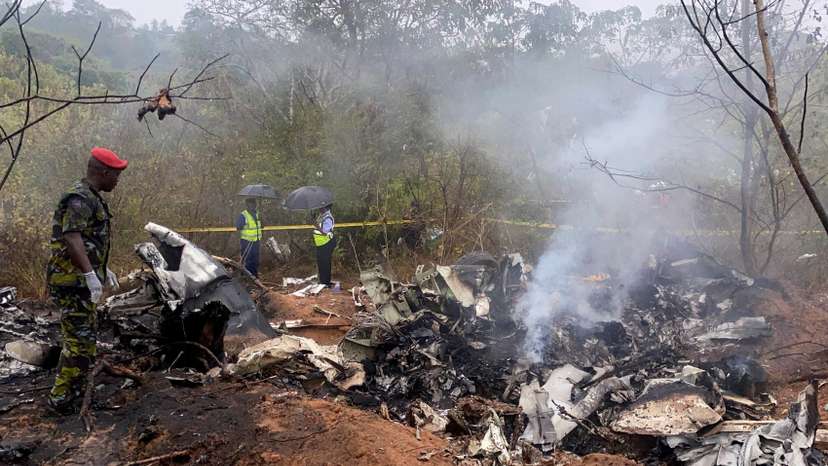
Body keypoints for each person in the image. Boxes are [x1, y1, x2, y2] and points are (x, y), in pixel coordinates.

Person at [46, 147, 127, 413]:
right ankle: (60, 401)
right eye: (115, 174)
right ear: (102, 172)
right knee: (78, 343)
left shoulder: (92, 197)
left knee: (84, 341)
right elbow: (72, 237)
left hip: (80, 281)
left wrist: (103, 269)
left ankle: (75, 395)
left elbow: (89, 240)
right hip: (72, 283)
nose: (117, 180)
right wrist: (89, 274)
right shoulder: (79, 198)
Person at [235, 197, 262, 277]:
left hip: (256, 240)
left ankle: (254, 275)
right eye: (251, 204)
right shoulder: (243, 215)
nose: (253, 206)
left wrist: (262, 220)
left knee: (255, 260)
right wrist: (243, 225)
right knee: (247, 260)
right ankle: (246, 276)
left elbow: (262, 226)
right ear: (247, 205)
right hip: (246, 241)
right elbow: (238, 227)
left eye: (254, 204)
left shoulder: (257, 214)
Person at [313, 204, 336, 287]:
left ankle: (326, 282)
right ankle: (323, 281)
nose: (319, 208)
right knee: (321, 262)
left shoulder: (328, 218)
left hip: (327, 243)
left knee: (325, 263)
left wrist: (315, 225)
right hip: (320, 243)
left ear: (325, 208)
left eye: (321, 207)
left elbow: (324, 232)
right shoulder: (322, 216)